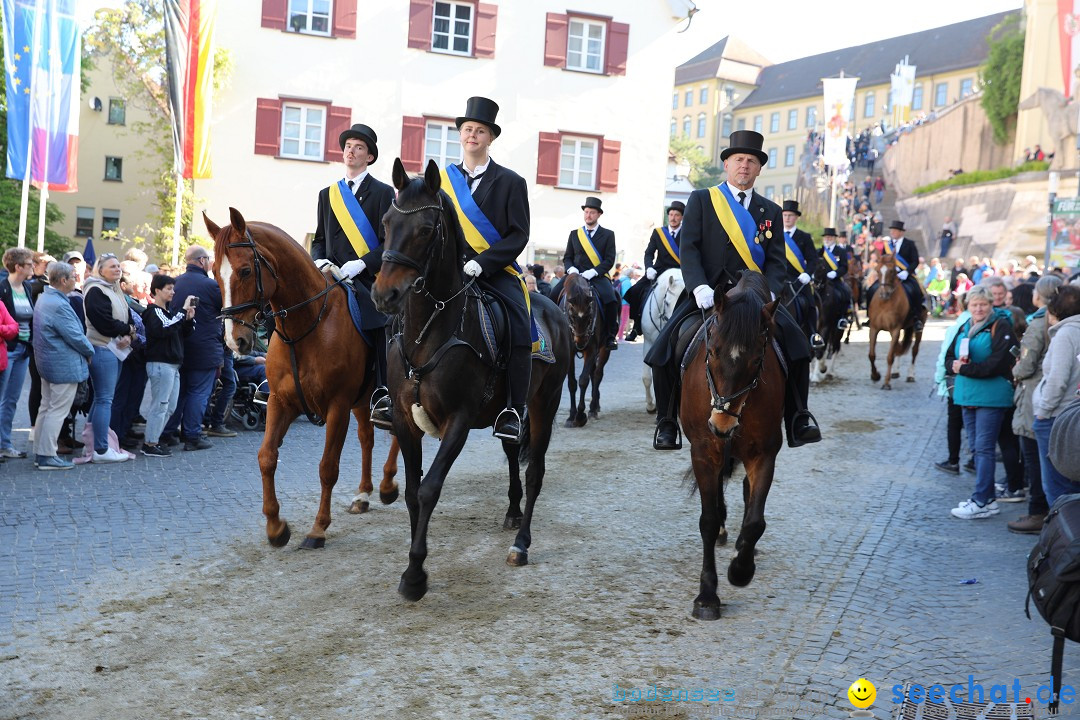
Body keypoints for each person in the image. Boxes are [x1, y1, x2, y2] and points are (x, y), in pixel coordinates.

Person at [646, 129, 821, 450]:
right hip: (709, 294)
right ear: (727, 164)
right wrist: (697, 286)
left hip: (755, 296)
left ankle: (798, 417)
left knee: (797, 344)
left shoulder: (770, 211)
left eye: (751, 161)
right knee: (665, 348)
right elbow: (690, 249)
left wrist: (770, 293)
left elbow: (777, 260)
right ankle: (667, 421)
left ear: (759, 169)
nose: (745, 166)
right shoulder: (702, 199)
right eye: (738, 159)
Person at [440, 96, 533, 442]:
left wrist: (484, 261)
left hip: (495, 272)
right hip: (450, 272)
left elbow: (518, 234)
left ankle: (514, 409)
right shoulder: (443, 180)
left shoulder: (511, 182)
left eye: (480, 130)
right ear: (460, 135)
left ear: (490, 137)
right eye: (467, 129)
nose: (472, 135)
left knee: (520, 327)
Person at [310, 122, 395, 429]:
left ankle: (383, 391)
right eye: (348, 146)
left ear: (369, 157)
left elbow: (390, 243)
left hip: (368, 278)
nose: (351, 151)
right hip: (330, 274)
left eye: (359, 147)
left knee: (379, 320)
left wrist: (363, 264)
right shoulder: (327, 194)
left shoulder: (384, 193)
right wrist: (319, 261)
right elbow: (319, 238)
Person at [945, 285, 1019, 519]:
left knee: (985, 449)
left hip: (991, 396)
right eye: (974, 305)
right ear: (968, 306)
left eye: (983, 304)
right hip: (968, 395)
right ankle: (986, 498)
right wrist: (955, 367)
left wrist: (964, 368)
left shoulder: (1001, 326)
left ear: (990, 305)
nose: (978, 308)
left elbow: (997, 364)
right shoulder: (965, 326)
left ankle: (982, 500)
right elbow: (949, 357)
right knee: (977, 448)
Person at [1008, 275, 1064, 533]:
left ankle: (1037, 512)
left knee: (1034, 454)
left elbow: (1027, 364)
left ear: (1038, 296)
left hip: (1037, 394)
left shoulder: (1040, 322)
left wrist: (1016, 369)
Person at [31, 262, 93, 470]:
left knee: (47, 407)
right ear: (64, 280)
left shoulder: (46, 298)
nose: (76, 281)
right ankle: (47, 455)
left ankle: (41, 453)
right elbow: (75, 335)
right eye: (74, 277)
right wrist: (90, 351)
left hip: (49, 362)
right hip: (62, 364)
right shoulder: (57, 303)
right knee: (56, 410)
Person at [161, 246, 222, 452]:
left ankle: (168, 432)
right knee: (198, 393)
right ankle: (192, 435)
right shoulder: (211, 286)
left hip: (179, 345)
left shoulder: (174, 283)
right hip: (205, 348)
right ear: (202, 261)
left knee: (180, 393)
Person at [83, 253, 135, 463]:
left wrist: (129, 335)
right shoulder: (95, 290)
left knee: (101, 399)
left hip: (116, 348)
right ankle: (102, 449)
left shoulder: (115, 289)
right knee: (105, 399)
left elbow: (128, 316)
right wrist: (127, 330)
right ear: (100, 270)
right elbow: (103, 322)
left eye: (118, 266)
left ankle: (94, 444)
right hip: (102, 348)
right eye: (112, 266)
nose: (117, 269)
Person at [549, 196, 620, 350]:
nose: (588, 215)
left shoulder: (608, 234)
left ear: (599, 214)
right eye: (586, 212)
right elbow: (567, 257)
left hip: (597, 276)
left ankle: (609, 336)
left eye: (592, 212)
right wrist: (571, 269)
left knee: (611, 300)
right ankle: (551, 330)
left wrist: (594, 272)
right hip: (574, 275)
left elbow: (609, 260)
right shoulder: (575, 234)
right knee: (553, 294)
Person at [1031, 285, 1080, 505]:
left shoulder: (1066, 334)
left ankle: (1064, 536)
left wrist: (1043, 411)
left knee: (1056, 486)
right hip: (1070, 414)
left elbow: (1057, 379)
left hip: (1056, 416)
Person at [141, 274, 195, 457]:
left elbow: (181, 333)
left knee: (169, 406)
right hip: (161, 364)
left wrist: (188, 319)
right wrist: (181, 313)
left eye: (173, 288)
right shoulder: (153, 311)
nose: (173, 292)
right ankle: (150, 443)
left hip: (172, 365)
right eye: (169, 288)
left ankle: (153, 440)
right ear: (157, 290)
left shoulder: (170, 313)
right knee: (160, 405)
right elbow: (165, 329)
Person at [623, 201, 685, 342]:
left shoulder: (687, 233)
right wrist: (649, 267)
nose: (673, 218)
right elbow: (649, 253)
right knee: (636, 291)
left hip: (680, 271)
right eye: (670, 214)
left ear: (681, 217)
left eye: (676, 215)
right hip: (659, 270)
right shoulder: (659, 233)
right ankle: (637, 327)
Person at [0, 247, 37, 458]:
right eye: (29, 264)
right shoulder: (2, 288)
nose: (33, 267)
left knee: (12, 399)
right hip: (7, 349)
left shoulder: (28, 287)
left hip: (23, 349)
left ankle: (5, 444)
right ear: (18, 267)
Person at [868, 220, 924, 331]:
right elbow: (883, 259)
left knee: (916, 291)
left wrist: (906, 272)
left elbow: (915, 261)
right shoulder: (887, 245)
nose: (892, 232)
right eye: (892, 230)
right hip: (889, 275)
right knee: (871, 289)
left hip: (905, 275)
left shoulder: (909, 244)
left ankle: (917, 319)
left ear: (901, 232)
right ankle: (870, 316)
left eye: (895, 230)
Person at [779, 200, 821, 347]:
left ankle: (812, 335)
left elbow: (813, 259)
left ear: (796, 217)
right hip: (778, 278)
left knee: (810, 304)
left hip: (798, 279)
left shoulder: (804, 237)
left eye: (790, 215)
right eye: (785, 215)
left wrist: (807, 274)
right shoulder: (774, 235)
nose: (787, 218)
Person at [819, 227, 853, 322]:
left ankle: (843, 317)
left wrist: (835, 273)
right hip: (821, 281)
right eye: (826, 237)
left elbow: (844, 267)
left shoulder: (841, 251)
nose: (827, 239)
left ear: (834, 238)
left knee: (845, 293)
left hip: (835, 280)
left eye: (830, 237)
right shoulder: (820, 251)